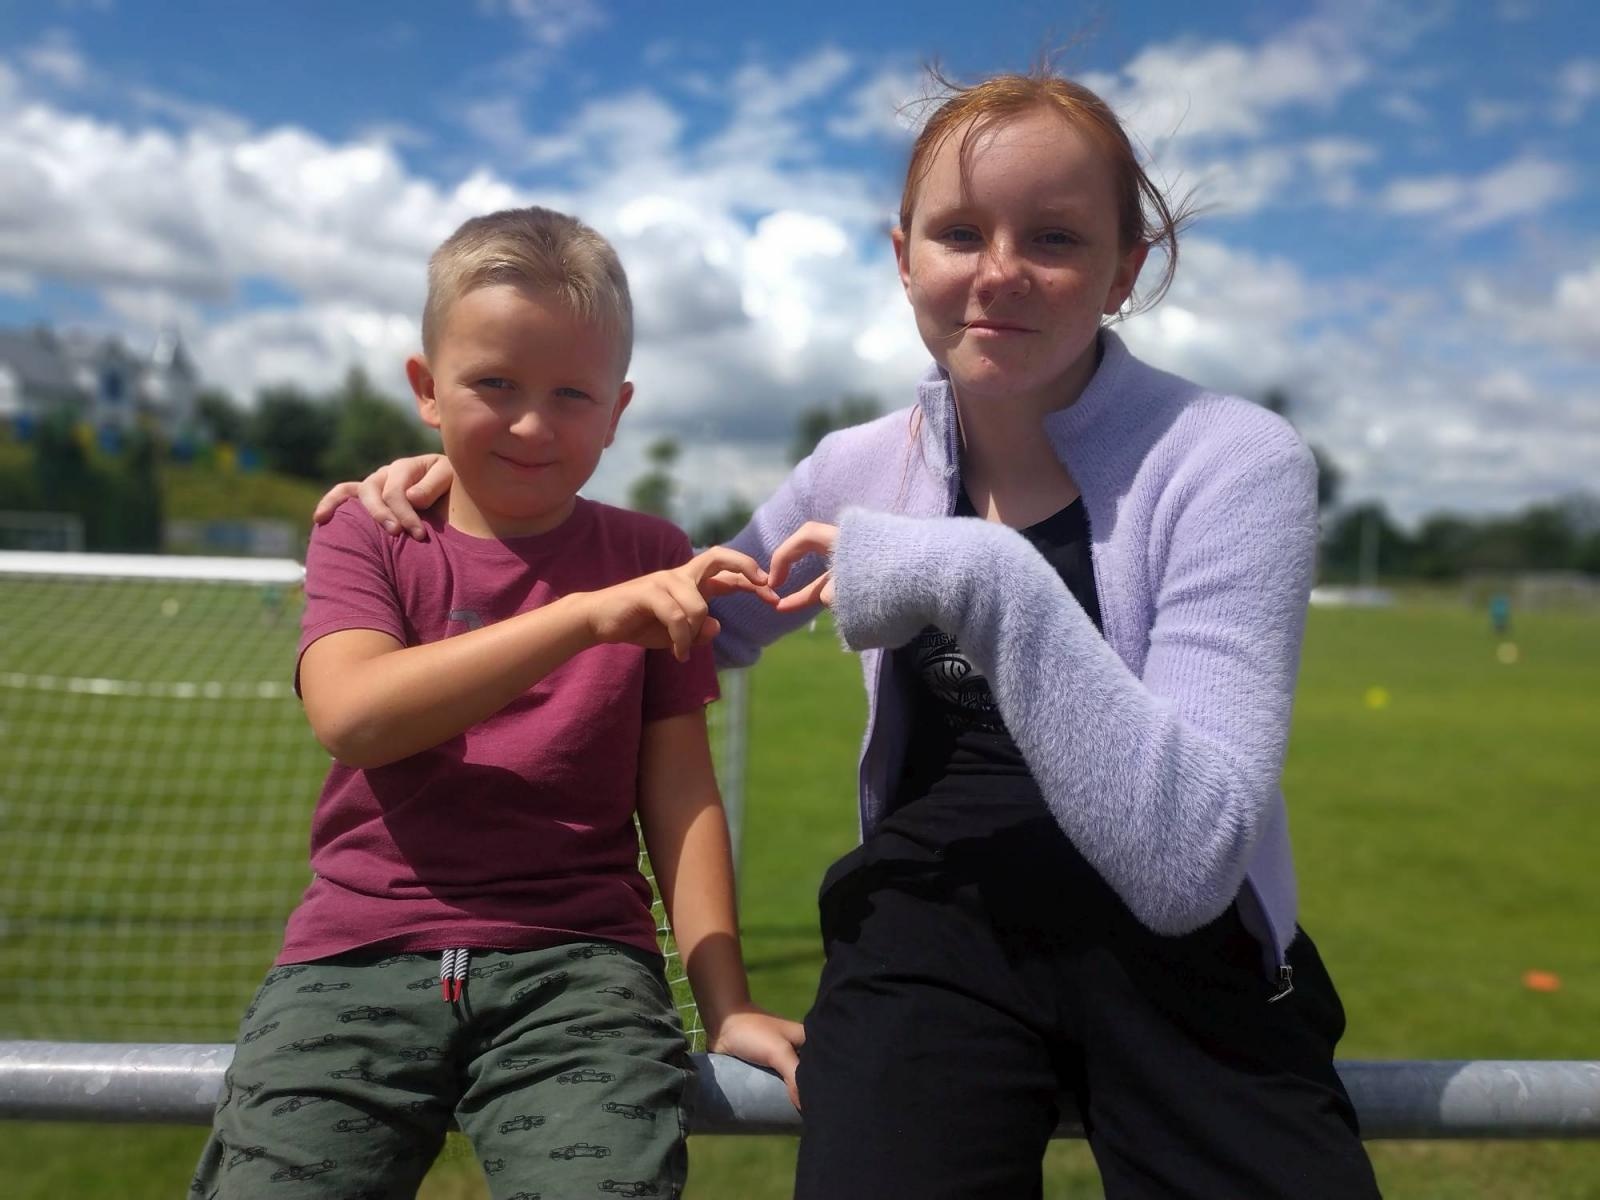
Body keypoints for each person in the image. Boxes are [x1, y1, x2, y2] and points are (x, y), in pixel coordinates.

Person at [319, 72, 1380, 1199]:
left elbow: (1186, 865)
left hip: (1188, 961)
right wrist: (477, 500)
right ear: (903, 256)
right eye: (960, 232)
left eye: (1056, 236)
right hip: (932, 929)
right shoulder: (855, 468)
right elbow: (662, 623)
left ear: (1126, 268)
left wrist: (978, 575)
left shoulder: (1232, 460)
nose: (999, 270)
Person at [195, 206, 803, 1200]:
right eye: (493, 386)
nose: (531, 423)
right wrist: (585, 620)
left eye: (572, 393)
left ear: (618, 410)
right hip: (356, 953)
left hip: (580, 968)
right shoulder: (367, 533)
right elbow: (353, 716)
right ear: (426, 391)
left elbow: (682, 798)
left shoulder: (649, 554)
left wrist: (724, 1002)